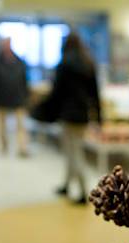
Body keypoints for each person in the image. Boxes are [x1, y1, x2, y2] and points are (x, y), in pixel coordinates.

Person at [48, 32, 102, 204]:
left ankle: (83, 190)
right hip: (83, 114)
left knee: (74, 153)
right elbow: (95, 93)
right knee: (72, 150)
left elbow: (56, 93)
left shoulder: (63, 64)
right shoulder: (89, 63)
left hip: (67, 115)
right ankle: (66, 185)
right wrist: (99, 117)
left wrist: (49, 113)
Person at [0, 38, 29, 157]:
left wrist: (25, 95)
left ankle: (22, 148)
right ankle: (3, 145)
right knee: (1, 126)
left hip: (18, 97)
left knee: (21, 125)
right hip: (1, 97)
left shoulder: (19, 61)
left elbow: (24, 79)